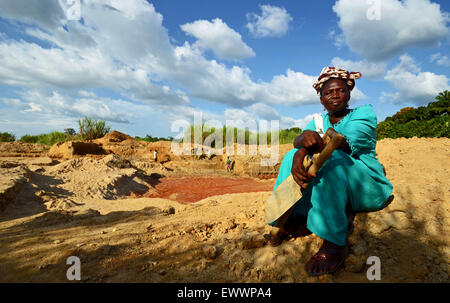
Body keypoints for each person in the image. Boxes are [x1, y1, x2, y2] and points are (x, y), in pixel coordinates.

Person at [264, 67, 393, 276]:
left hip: (364, 185)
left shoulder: (364, 114)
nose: (334, 95)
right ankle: (288, 218)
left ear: (349, 93)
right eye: (328, 92)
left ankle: (335, 243)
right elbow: (302, 139)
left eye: (340, 90)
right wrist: (299, 150)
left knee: (329, 158)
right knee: (290, 157)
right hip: (336, 181)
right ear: (321, 99)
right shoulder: (318, 121)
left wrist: (304, 146)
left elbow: (337, 143)